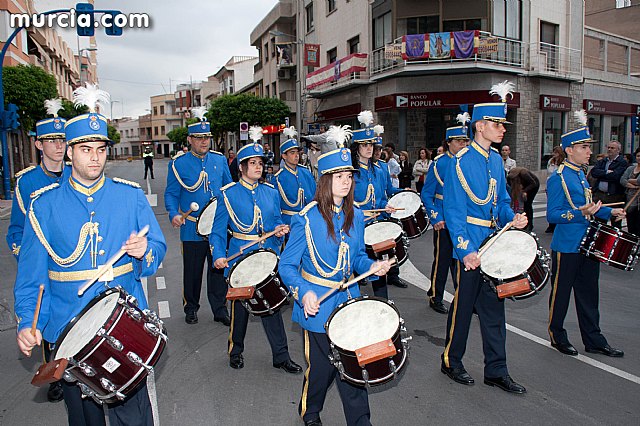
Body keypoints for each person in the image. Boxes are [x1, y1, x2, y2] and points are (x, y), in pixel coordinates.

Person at [14, 85, 166, 426]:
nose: (95, 157)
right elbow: (31, 279)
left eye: (100, 149)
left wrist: (146, 253)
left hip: (125, 323)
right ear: (69, 153)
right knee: (85, 421)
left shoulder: (130, 197)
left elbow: (157, 247)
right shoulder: (44, 205)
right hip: (70, 332)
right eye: (85, 149)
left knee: (134, 418)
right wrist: (28, 322)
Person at [279, 129, 393, 426]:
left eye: (349, 175)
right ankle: (310, 411)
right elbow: (287, 266)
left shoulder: (354, 214)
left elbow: (355, 257)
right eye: (338, 175)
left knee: (352, 366)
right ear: (325, 180)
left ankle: (360, 422)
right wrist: (303, 293)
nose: (346, 180)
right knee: (322, 370)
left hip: (347, 302)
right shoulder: (306, 218)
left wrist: (372, 265)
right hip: (316, 304)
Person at [441, 81, 528, 394]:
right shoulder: (459, 162)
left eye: (503, 124)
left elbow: (501, 200)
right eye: (496, 124)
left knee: (494, 311)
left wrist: (512, 217)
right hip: (470, 249)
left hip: (492, 247)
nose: (502, 129)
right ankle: (451, 360)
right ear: (480, 126)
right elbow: (453, 211)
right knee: (463, 309)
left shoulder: (496, 160)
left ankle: (496, 370)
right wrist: (465, 250)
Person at [211, 127, 302, 373]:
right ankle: (235, 351)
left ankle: (281, 356)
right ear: (241, 167)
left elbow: (273, 222)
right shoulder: (227, 194)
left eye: (260, 163)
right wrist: (219, 255)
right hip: (240, 259)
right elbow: (218, 231)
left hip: (266, 260)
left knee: (271, 307)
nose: (258, 167)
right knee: (239, 312)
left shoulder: (270, 192)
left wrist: (279, 230)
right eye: (252, 163)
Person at [546, 110, 626, 358]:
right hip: (567, 244)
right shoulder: (558, 177)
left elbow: (588, 206)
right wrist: (580, 214)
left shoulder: (581, 174)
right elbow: (553, 215)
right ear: (570, 150)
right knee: (561, 294)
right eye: (584, 147)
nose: (590, 151)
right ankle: (557, 336)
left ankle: (594, 339)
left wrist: (609, 214)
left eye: (588, 147)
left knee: (589, 294)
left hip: (588, 243)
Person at [7, 98, 71, 403]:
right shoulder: (27, 182)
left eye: (62, 140)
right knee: (47, 321)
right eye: (51, 141)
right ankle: (54, 372)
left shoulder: (77, 175)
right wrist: (29, 259)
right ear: (38, 144)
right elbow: (17, 230)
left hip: (74, 262)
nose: (58, 147)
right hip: (45, 263)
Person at [164, 107, 232, 326]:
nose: (204, 142)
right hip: (192, 228)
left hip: (217, 227)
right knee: (192, 272)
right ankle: (191, 307)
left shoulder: (220, 160)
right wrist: (174, 213)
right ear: (190, 139)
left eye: (207, 138)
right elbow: (172, 193)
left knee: (217, 269)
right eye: (199, 138)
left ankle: (219, 308)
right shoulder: (178, 163)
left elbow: (229, 189)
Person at [351, 113, 406, 297]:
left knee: (379, 268)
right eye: (364, 145)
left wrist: (388, 205)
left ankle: (383, 304)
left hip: (378, 225)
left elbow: (381, 197)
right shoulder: (350, 172)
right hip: (356, 225)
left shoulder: (381, 168)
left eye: (371, 145)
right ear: (356, 147)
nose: (369, 148)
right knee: (355, 269)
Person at [421, 113, 470, 315]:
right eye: (459, 142)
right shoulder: (439, 163)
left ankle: (464, 298)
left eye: (465, 141)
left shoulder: (469, 161)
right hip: (444, 219)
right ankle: (436, 295)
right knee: (442, 261)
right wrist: (435, 217)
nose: (463, 145)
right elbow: (426, 193)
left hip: (464, 219)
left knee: (464, 260)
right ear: (449, 143)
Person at [274, 127, 317, 226]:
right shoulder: (278, 178)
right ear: (284, 156)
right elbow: (276, 207)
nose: (296, 155)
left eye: (297, 153)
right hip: (290, 222)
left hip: (309, 219)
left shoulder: (305, 172)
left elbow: (315, 194)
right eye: (292, 153)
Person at [590, 140, 628, 229]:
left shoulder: (622, 162)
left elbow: (616, 176)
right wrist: (607, 172)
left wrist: (602, 174)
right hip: (599, 194)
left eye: (612, 148)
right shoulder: (603, 161)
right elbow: (594, 172)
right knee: (599, 221)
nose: (609, 150)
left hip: (613, 195)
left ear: (618, 150)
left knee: (615, 221)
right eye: (609, 147)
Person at [507, 167, 540, 232]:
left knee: (527, 205)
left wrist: (525, 191)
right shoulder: (509, 177)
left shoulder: (524, 173)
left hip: (533, 185)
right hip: (523, 185)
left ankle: (529, 224)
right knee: (522, 202)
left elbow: (533, 183)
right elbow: (509, 185)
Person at [545, 146, 565, 233]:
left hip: (559, 185)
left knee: (559, 205)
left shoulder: (563, 163)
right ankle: (551, 225)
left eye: (556, 153)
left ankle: (557, 224)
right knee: (551, 204)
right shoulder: (551, 161)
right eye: (554, 152)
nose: (554, 154)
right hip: (550, 184)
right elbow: (548, 172)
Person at [621, 148, 640, 236]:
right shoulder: (631, 168)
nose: (639, 158)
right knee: (631, 227)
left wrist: (629, 180)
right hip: (630, 200)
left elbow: (639, 181)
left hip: (638, 202)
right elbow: (623, 180)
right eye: (638, 156)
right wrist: (634, 185)